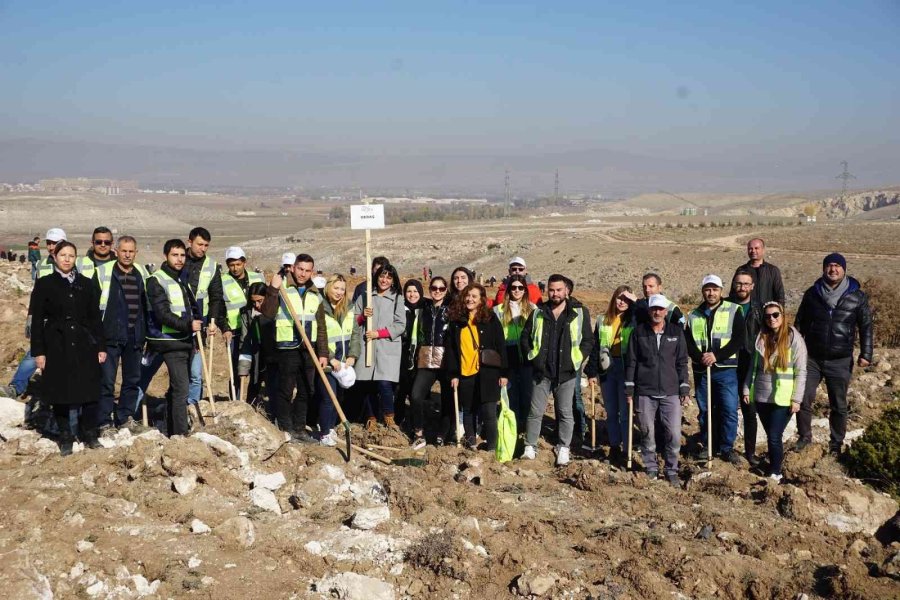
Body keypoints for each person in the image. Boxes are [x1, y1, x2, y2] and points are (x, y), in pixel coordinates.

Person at [30, 240, 106, 455]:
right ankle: (65, 436)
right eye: (62, 255)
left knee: (89, 390)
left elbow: (95, 318)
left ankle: (89, 433)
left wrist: (100, 346)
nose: (67, 259)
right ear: (55, 257)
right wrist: (39, 352)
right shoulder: (45, 283)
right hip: (57, 344)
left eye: (71, 256)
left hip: (85, 343)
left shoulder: (86, 284)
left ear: (76, 259)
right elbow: (37, 321)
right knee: (60, 390)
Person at [794, 253, 873, 455]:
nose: (833, 269)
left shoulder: (857, 296)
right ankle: (804, 438)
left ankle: (836, 443)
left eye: (837, 266)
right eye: (829, 265)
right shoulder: (812, 293)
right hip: (811, 358)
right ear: (824, 268)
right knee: (802, 398)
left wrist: (866, 353)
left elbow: (866, 326)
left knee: (838, 404)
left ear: (844, 269)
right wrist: (794, 349)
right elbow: (800, 323)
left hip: (840, 359)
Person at [520, 274, 593, 466]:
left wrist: (577, 358)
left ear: (566, 290)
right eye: (551, 290)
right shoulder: (538, 312)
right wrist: (532, 357)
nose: (555, 294)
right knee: (535, 411)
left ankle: (564, 447)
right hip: (541, 372)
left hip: (566, 372)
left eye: (559, 290)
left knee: (565, 412)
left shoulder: (579, 312)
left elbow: (588, 340)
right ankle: (530, 446)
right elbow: (525, 337)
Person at [624, 294, 691, 485]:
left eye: (661, 309)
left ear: (666, 311)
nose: (657, 312)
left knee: (674, 434)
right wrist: (629, 389)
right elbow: (631, 362)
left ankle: (671, 469)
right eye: (654, 309)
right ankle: (651, 468)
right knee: (647, 431)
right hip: (645, 391)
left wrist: (684, 388)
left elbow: (681, 362)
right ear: (649, 310)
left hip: (671, 391)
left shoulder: (676, 332)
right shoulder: (638, 332)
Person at [260, 253, 325, 443]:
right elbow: (268, 313)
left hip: (309, 348)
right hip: (287, 346)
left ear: (312, 272)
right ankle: (285, 428)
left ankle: (299, 428)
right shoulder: (282, 288)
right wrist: (273, 289)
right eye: (300, 269)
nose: (303, 274)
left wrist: (323, 353)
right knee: (286, 389)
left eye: (307, 270)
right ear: (293, 268)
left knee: (306, 390)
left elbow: (321, 326)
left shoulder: (315, 294)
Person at [742, 301, 807, 481]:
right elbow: (753, 367)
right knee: (771, 435)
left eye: (775, 315)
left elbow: (801, 371)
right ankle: (772, 464)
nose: (772, 319)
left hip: (783, 398)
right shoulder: (761, 338)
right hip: (762, 395)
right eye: (768, 316)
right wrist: (747, 389)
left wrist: (797, 399)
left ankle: (776, 471)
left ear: (783, 316)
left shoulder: (794, 339)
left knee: (774, 435)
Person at [685, 274, 745, 465]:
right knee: (705, 410)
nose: (711, 293)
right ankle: (708, 444)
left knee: (729, 409)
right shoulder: (694, 315)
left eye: (715, 289)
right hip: (702, 371)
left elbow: (738, 339)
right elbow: (688, 342)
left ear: (721, 291)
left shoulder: (734, 310)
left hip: (725, 370)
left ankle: (726, 448)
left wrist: (716, 356)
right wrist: (701, 357)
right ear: (703, 291)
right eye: (707, 289)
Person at [1, 228, 66, 402]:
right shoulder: (42, 264)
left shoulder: (73, 264)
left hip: (67, 320)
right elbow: (36, 294)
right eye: (49, 243)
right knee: (35, 352)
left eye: (55, 243)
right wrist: (31, 316)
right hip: (45, 319)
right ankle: (16, 387)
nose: (51, 247)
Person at [145, 239, 202, 437]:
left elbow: (189, 308)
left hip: (183, 340)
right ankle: (180, 435)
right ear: (166, 256)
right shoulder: (157, 280)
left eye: (182, 255)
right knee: (182, 389)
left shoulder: (180, 279)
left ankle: (171, 430)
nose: (179, 259)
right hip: (168, 341)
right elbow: (162, 313)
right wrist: (188, 325)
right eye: (174, 255)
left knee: (176, 388)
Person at [95, 235, 151, 432]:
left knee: (132, 380)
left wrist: (145, 334)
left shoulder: (142, 273)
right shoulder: (104, 272)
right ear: (116, 251)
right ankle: (103, 421)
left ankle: (125, 417)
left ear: (136, 253)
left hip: (135, 336)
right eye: (124, 251)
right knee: (107, 381)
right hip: (110, 335)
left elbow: (147, 305)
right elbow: (93, 306)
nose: (127, 255)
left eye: (131, 251)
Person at [445, 283, 508, 451]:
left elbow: (500, 345)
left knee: (489, 411)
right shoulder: (456, 321)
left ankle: (492, 447)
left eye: (474, 296)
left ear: (481, 300)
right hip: (465, 372)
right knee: (468, 410)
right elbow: (451, 350)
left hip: (488, 372)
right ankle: (471, 442)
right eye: (467, 295)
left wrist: (503, 372)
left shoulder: (490, 318)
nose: (470, 299)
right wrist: (453, 374)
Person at [350, 264, 406, 430]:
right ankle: (371, 418)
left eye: (389, 277)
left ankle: (389, 418)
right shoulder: (365, 296)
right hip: (367, 346)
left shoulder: (397, 298)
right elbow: (353, 321)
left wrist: (378, 333)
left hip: (387, 347)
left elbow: (400, 325)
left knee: (384, 383)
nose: (384, 280)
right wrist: (362, 316)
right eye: (382, 276)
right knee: (368, 384)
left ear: (393, 280)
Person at [586, 285, 635, 464]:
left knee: (625, 412)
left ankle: (627, 449)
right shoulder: (602, 320)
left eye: (627, 299)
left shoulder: (635, 320)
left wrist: (636, 301)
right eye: (620, 298)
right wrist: (591, 371)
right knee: (611, 411)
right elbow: (596, 346)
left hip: (626, 369)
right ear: (614, 299)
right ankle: (614, 446)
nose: (622, 302)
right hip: (607, 368)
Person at [314, 274, 356, 446]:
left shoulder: (348, 307)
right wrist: (331, 358)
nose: (339, 292)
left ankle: (330, 427)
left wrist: (353, 355)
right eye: (336, 288)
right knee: (328, 397)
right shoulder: (320, 307)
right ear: (328, 287)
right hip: (328, 362)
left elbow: (355, 333)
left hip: (343, 362)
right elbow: (319, 336)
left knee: (338, 397)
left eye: (342, 289)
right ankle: (324, 433)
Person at [727, 267, 763, 466]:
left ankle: (750, 452)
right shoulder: (725, 306)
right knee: (727, 407)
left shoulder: (759, 309)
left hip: (750, 364)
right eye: (739, 283)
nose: (742, 287)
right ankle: (725, 447)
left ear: (752, 286)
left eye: (746, 284)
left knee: (749, 410)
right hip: (728, 364)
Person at [493, 273, 536, 432]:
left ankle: (526, 427)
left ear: (525, 290)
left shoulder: (533, 309)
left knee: (527, 394)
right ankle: (513, 427)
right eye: (513, 287)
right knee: (511, 394)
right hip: (507, 356)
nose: (517, 290)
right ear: (508, 290)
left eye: (520, 287)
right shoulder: (498, 310)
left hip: (526, 356)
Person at [222, 246, 265, 395]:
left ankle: (253, 399)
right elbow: (219, 307)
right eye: (231, 265)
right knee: (237, 367)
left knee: (257, 366)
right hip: (235, 331)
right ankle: (235, 399)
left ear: (244, 262)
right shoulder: (222, 281)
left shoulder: (258, 277)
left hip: (257, 328)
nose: (235, 268)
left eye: (238, 264)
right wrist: (225, 328)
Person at [396, 279, 424, 430]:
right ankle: (398, 420)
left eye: (415, 291)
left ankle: (416, 424)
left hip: (420, 356)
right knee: (400, 389)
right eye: (409, 291)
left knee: (415, 392)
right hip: (401, 354)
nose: (412, 295)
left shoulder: (425, 308)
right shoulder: (399, 309)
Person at [731, 238, 785, 307]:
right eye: (750, 249)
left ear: (763, 250)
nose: (753, 251)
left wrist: (778, 311)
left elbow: (780, 296)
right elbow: (733, 292)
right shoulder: (741, 270)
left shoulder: (773, 270)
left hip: (766, 311)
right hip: (745, 311)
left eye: (756, 248)